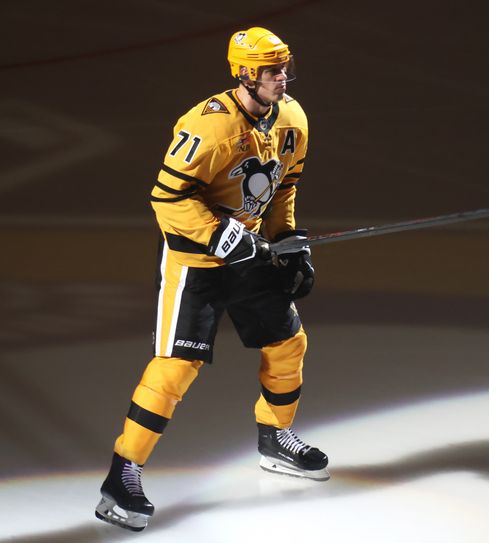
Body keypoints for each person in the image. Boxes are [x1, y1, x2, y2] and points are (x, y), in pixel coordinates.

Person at [94, 27, 327, 532]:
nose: (282, 78)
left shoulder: (293, 118)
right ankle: (122, 473)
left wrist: (286, 241)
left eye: (284, 67)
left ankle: (274, 437)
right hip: (197, 261)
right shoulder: (209, 126)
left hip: (249, 255)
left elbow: (285, 185)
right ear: (245, 73)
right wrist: (219, 233)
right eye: (272, 70)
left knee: (288, 343)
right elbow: (168, 199)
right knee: (176, 367)